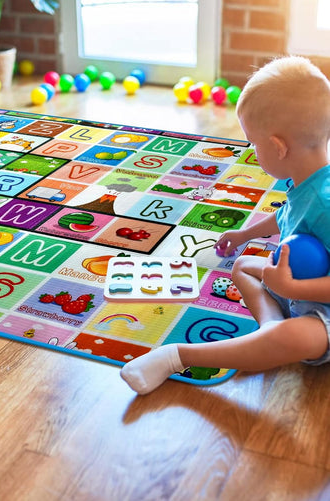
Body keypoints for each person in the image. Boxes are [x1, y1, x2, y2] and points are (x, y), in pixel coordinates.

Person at [121, 56, 330, 395]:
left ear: (278, 147)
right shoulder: (304, 180)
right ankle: (270, 326)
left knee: (298, 336)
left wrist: (293, 290)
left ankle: (177, 356)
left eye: (254, 144)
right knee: (244, 266)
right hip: (297, 288)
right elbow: (285, 217)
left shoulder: (326, 203)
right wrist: (244, 234)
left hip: (321, 313)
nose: (252, 152)